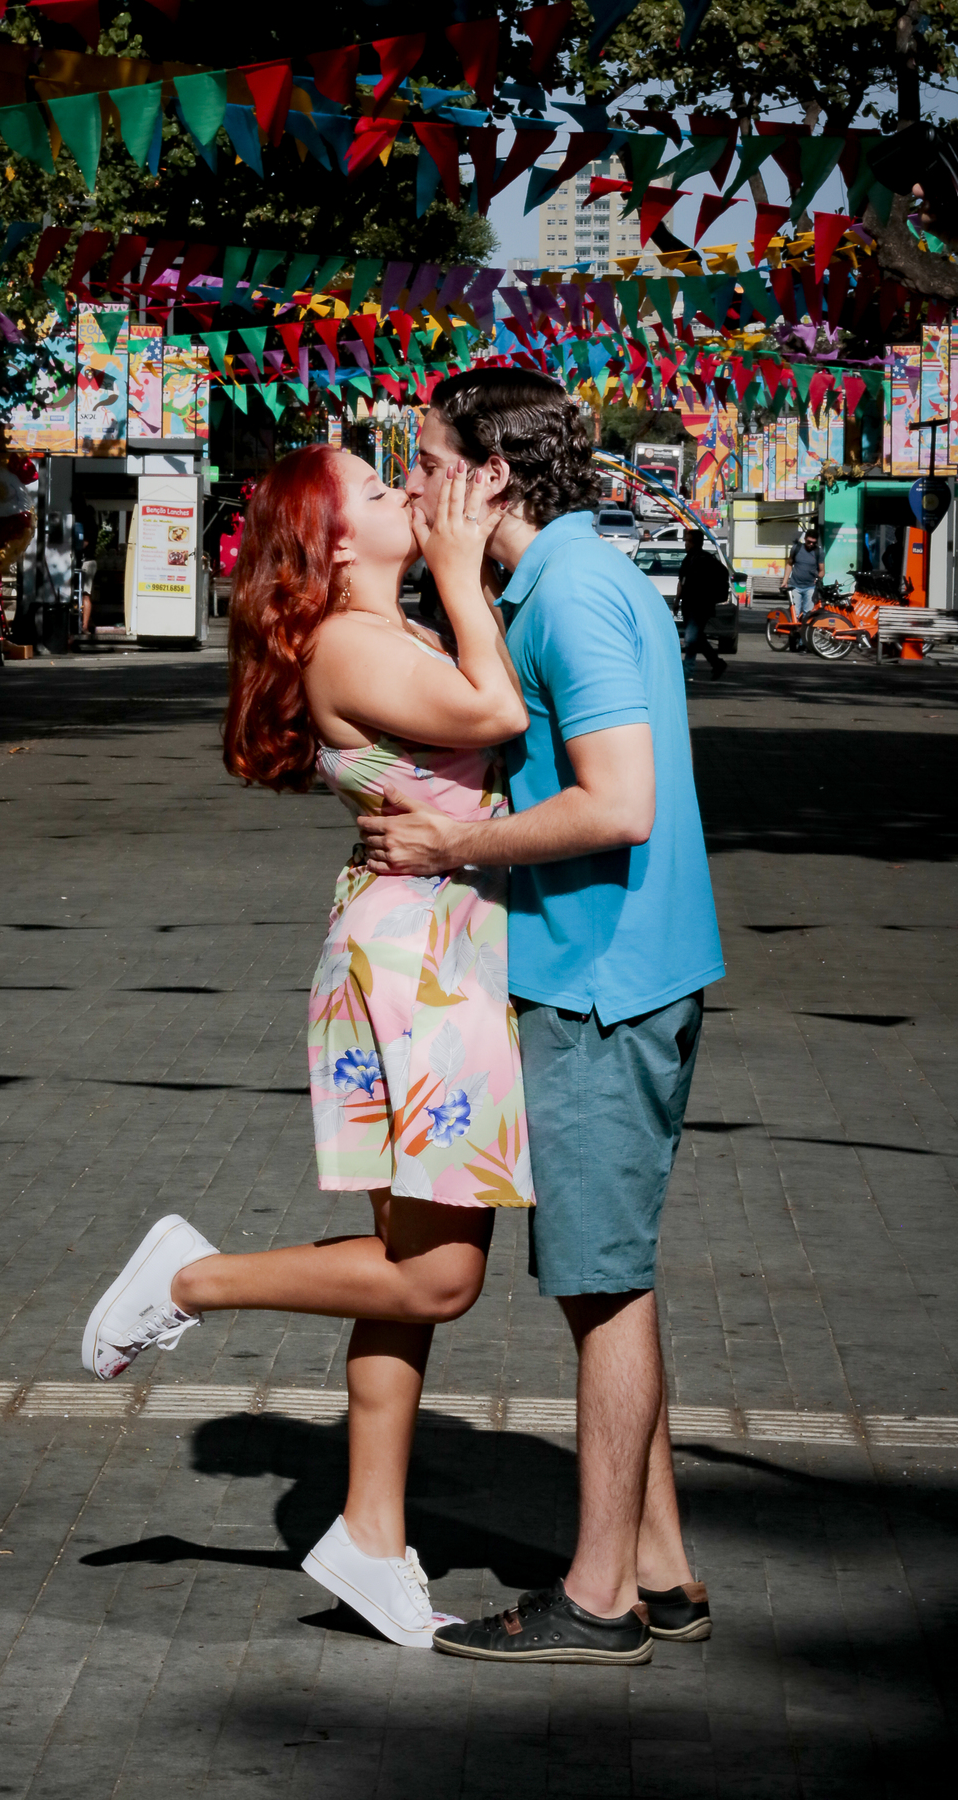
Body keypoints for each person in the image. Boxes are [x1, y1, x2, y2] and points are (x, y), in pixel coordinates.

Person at [82, 443, 534, 1649]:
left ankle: (372, 1536)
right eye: (381, 494)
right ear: (331, 544)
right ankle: (191, 1277)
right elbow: (497, 715)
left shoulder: (387, 635)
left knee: (404, 1271)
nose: (407, 498)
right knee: (439, 1277)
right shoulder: (355, 642)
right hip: (419, 976)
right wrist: (465, 574)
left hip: (422, 954)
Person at [360, 368, 725, 1666]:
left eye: (423, 461)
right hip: (608, 974)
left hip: (604, 985)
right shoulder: (566, 576)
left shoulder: (568, 589)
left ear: (487, 476)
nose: (409, 485)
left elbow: (617, 802)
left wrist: (460, 847)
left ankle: (601, 1602)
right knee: (603, 1284)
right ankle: (662, 1572)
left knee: (604, 1286)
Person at [677, 528, 728, 680]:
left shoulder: (705, 560)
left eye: (689, 541)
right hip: (689, 605)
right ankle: (717, 663)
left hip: (700, 607)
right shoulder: (688, 559)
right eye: (685, 540)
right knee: (697, 638)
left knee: (692, 638)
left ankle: (687, 671)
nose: (686, 544)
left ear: (697, 543)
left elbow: (721, 576)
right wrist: (677, 600)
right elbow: (682, 582)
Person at [783, 529, 822, 620]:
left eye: (814, 543)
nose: (811, 544)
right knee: (794, 613)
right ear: (804, 539)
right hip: (794, 586)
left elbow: (822, 570)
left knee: (808, 614)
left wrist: (818, 578)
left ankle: (804, 632)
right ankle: (793, 632)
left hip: (810, 587)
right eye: (809, 542)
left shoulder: (819, 552)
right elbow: (789, 564)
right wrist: (785, 581)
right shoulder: (796, 548)